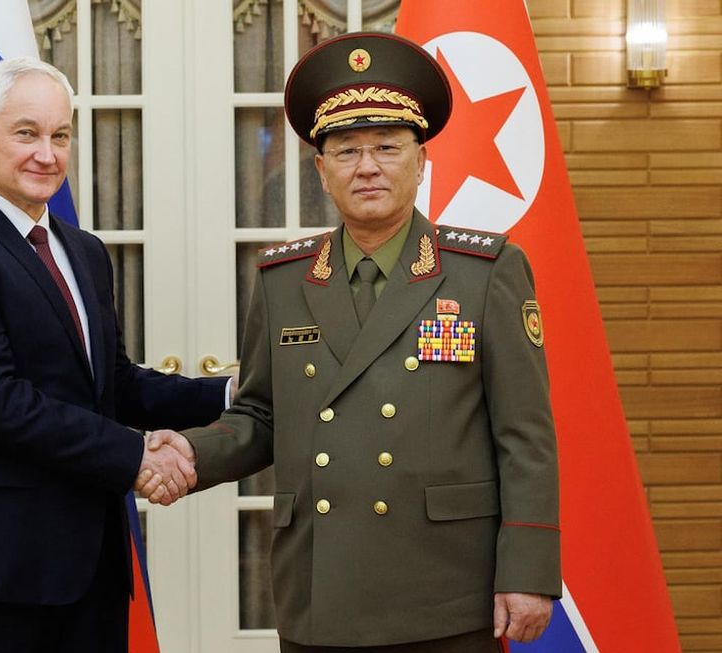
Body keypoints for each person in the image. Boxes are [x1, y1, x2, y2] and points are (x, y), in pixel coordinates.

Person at [144, 32, 561, 652]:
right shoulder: (284, 279)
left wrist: (528, 572)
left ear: (421, 161)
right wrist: (188, 455)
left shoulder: (485, 271)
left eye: (388, 148)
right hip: (322, 586)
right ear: (321, 170)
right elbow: (261, 414)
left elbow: (524, 435)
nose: (367, 167)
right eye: (345, 151)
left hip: (446, 586)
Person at [0, 57, 231, 653]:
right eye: (26, 133)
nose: (46, 155)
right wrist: (136, 454)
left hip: (90, 568)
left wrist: (231, 395)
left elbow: (112, 384)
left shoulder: (83, 251)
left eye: (60, 135)